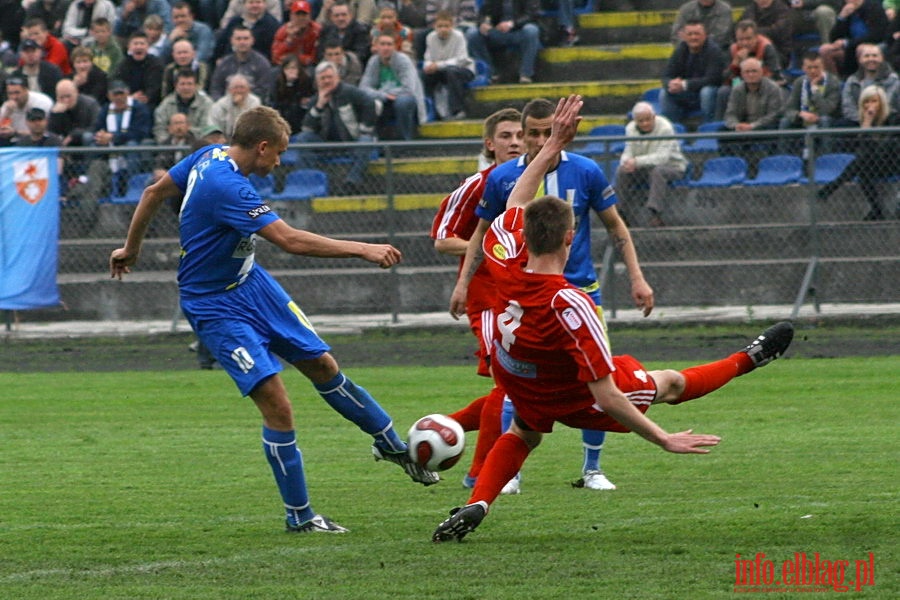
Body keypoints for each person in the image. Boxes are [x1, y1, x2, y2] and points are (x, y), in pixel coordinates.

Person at [431, 95, 795, 543]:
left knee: (525, 430)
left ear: (522, 231)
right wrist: (663, 439)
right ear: (570, 238)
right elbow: (605, 394)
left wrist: (549, 148)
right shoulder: (571, 304)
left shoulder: (503, 253)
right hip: (570, 394)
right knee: (669, 384)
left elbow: (519, 195)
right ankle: (750, 357)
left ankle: (478, 502)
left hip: (523, 378)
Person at [109, 105, 439, 534]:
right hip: (213, 304)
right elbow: (289, 240)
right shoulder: (226, 185)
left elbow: (154, 192)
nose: (280, 161)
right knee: (278, 405)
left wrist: (130, 248)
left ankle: (392, 446)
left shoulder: (209, 155)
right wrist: (362, 248)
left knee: (323, 365)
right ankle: (300, 517)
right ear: (261, 147)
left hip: (252, 285)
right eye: (279, 153)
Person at [450, 98, 656, 492]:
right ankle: (512, 472)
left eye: (548, 132)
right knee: (517, 381)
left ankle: (592, 468)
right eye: (533, 133)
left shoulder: (587, 170)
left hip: (580, 291)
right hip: (527, 296)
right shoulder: (502, 178)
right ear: (523, 134)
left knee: (598, 379)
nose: (541, 139)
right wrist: (462, 284)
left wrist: (637, 277)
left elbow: (616, 227)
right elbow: (481, 233)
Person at [431, 107, 523, 491]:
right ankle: (481, 473)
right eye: (506, 136)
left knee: (517, 386)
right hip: (487, 298)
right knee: (509, 383)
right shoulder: (478, 184)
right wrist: (493, 247)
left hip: (523, 298)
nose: (515, 142)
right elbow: (442, 239)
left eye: (521, 135)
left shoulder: (539, 183)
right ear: (490, 144)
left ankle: (435, 431)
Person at [816, 85, 900, 220]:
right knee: (862, 169)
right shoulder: (866, 121)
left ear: (882, 102)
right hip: (874, 163)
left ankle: (832, 187)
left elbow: (883, 149)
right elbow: (863, 149)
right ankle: (877, 210)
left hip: (894, 162)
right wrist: (866, 124)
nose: (870, 105)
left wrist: (866, 132)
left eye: (874, 101)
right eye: (866, 102)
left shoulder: (894, 118)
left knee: (861, 161)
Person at [297, 60, 376, 188]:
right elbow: (307, 127)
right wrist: (319, 106)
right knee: (303, 138)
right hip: (327, 144)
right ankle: (308, 180)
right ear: (317, 81)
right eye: (323, 78)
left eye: (330, 77)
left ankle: (352, 181)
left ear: (337, 77)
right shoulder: (316, 99)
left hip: (352, 142)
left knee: (366, 140)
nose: (327, 81)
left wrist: (364, 128)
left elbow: (370, 103)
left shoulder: (350, 91)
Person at [615, 101, 688, 227]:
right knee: (622, 170)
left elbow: (663, 158)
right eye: (640, 121)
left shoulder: (665, 128)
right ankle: (620, 213)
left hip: (673, 166)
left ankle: (655, 214)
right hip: (643, 167)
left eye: (648, 119)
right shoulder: (630, 129)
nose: (645, 123)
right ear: (635, 121)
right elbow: (629, 150)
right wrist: (626, 162)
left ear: (654, 117)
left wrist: (636, 162)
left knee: (658, 171)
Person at [360, 33, 426, 141]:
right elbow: (363, 88)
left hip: (406, 99)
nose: (386, 48)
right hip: (385, 98)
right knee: (371, 102)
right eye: (382, 44)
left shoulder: (403, 60)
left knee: (402, 102)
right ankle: (378, 142)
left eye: (389, 44)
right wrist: (383, 95)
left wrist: (383, 94)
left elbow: (408, 88)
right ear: (376, 46)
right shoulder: (373, 61)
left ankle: (404, 141)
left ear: (395, 47)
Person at [716, 19, 786, 120]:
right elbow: (724, 78)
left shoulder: (766, 47)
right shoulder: (733, 49)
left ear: (756, 37)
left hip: (764, 85)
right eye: (741, 39)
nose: (744, 43)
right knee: (723, 91)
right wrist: (735, 65)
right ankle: (719, 125)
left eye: (748, 39)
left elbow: (775, 74)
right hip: (740, 85)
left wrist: (752, 70)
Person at [660, 20, 726, 124]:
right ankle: (674, 131)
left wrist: (685, 84)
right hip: (688, 93)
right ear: (684, 36)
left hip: (709, 93)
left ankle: (708, 130)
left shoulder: (714, 51)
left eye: (697, 34)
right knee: (665, 93)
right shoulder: (680, 49)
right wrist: (671, 83)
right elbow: (666, 75)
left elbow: (712, 79)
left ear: (705, 35)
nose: (693, 37)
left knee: (707, 92)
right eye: (690, 34)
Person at [722, 57, 784, 167]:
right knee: (722, 131)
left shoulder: (773, 88)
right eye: (747, 72)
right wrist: (736, 125)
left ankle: (769, 165)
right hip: (743, 127)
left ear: (762, 72)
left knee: (773, 128)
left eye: (754, 71)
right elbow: (730, 113)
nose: (751, 74)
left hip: (765, 127)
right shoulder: (737, 90)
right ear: (742, 74)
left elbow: (774, 115)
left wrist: (752, 126)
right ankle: (732, 166)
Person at [778, 51, 841, 153]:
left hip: (825, 119)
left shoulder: (833, 82)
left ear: (823, 67)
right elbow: (788, 109)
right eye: (809, 68)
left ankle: (826, 157)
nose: (812, 71)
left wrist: (815, 90)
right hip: (803, 119)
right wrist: (799, 114)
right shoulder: (799, 82)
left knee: (824, 120)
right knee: (785, 121)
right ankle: (783, 159)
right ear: (803, 68)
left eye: (816, 67)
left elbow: (827, 109)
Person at [465, 0, 541, 84]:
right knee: (472, 34)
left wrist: (512, 24)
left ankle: (526, 74)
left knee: (531, 30)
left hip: (518, 31)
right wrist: (483, 23)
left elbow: (532, 15)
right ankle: (489, 73)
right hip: (496, 31)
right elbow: (482, 14)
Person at [421, 10, 474, 120]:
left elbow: (462, 59)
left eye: (446, 26)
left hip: (463, 69)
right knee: (423, 75)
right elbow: (428, 57)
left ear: (452, 26)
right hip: (441, 71)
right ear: (435, 26)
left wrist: (439, 65)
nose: (443, 29)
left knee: (452, 72)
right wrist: (428, 66)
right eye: (440, 26)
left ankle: (457, 110)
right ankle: (429, 110)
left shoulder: (459, 36)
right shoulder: (430, 37)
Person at [819, 0, 889, 76]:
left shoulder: (874, 7)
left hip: (872, 45)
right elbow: (833, 38)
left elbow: (876, 35)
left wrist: (848, 43)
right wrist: (842, 17)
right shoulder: (845, 9)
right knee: (825, 49)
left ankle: (864, 79)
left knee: (861, 49)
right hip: (849, 48)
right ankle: (834, 81)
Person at [837, 44, 899, 127]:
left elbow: (890, 104)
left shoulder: (893, 79)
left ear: (882, 58)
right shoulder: (852, 81)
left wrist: (875, 118)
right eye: (866, 56)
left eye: (875, 56)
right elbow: (848, 107)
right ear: (860, 59)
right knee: (842, 124)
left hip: (887, 121)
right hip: (858, 121)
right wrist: (864, 119)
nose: (871, 59)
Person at [209, 26, 273, 101]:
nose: (242, 42)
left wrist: (243, 101)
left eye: (246, 39)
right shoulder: (224, 64)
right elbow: (216, 89)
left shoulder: (262, 63)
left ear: (252, 40)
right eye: (238, 39)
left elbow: (264, 90)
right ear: (232, 41)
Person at [153, 69, 214, 143]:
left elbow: (207, 129)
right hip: (170, 147)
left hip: (198, 147)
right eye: (182, 84)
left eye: (189, 84)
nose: (186, 88)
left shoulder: (207, 104)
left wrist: (185, 130)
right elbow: (159, 129)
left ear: (196, 86)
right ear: (176, 86)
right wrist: (169, 143)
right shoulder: (166, 104)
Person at [111, 31, 165, 110]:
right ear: (129, 46)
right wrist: (130, 98)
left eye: (142, 44)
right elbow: (117, 83)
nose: (139, 47)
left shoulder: (156, 64)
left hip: (150, 104)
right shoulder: (123, 65)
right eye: (135, 44)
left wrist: (144, 98)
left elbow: (155, 89)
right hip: (126, 102)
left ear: (148, 46)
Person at [214, 0, 280, 62]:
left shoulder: (272, 25)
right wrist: (219, 58)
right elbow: (222, 43)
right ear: (244, 4)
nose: (254, 5)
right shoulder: (235, 21)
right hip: (230, 62)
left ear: (265, 4)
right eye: (251, 2)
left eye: (258, 2)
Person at [740, 0, 794, 70]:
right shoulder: (750, 9)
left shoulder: (782, 9)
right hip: (752, 50)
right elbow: (739, 28)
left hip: (778, 51)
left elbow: (777, 32)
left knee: (753, 65)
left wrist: (753, 33)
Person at [316, 0, 373, 65]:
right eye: (336, 16)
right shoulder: (326, 30)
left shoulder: (361, 30)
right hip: (329, 65)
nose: (341, 18)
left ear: (351, 15)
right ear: (331, 17)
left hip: (352, 67)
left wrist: (339, 59)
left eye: (344, 15)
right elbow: (320, 53)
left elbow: (361, 54)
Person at [0, 76, 54, 143]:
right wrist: (6, 114)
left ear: (26, 90)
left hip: (38, 142)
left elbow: (44, 133)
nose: (14, 97)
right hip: (14, 143)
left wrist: (15, 132)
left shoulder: (42, 102)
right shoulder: (7, 106)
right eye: (10, 93)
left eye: (17, 93)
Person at [269, 54, 314, 135]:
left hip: (300, 119)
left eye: (293, 68)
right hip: (283, 120)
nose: (291, 71)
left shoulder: (306, 82)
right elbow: (275, 103)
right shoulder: (278, 83)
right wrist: (288, 84)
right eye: (287, 68)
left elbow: (305, 101)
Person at [208, 73, 261, 140]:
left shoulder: (255, 103)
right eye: (235, 87)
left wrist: (240, 106)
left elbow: (253, 126)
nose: (239, 91)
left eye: (242, 87)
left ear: (248, 89)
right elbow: (213, 125)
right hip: (224, 141)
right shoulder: (220, 105)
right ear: (229, 90)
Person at [271, 0, 322, 68]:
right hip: (286, 67)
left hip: (309, 66)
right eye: (297, 14)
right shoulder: (283, 31)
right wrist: (289, 40)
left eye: (304, 14)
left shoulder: (317, 30)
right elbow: (275, 57)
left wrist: (294, 58)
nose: (301, 18)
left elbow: (315, 58)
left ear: (310, 16)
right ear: (291, 16)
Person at [670, 0, 735, 49]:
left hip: (717, 51)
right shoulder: (686, 9)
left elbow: (720, 37)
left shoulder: (724, 9)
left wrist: (693, 41)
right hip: (688, 51)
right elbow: (676, 35)